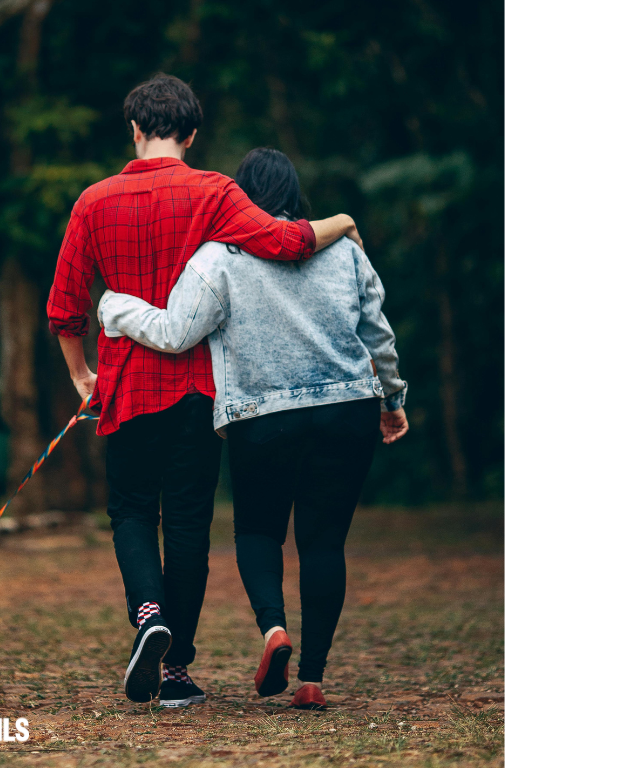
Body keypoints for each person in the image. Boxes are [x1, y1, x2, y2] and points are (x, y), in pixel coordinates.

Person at [46, 75, 365, 708]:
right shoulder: (216, 191)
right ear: (192, 135)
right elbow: (286, 242)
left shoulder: (93, 201)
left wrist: (84, 376)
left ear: (134, 130)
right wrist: (345, 220)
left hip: (126, 390)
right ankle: (175, 671)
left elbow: (64, 305)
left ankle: (148, 618)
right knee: (189, 524)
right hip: (195, 390)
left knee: (132, 512)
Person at [97, 147, 410, 710]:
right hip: (347, 410)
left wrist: (116, 309)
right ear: (297, 196)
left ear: (238, 195)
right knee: (324, 542)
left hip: (261, 420)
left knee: (258, 533)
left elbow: (173, 332)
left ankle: (273, 631)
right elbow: (378, 334)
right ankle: (311, 678)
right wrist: (391, 399)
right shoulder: (345, 253)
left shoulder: (219, 256)